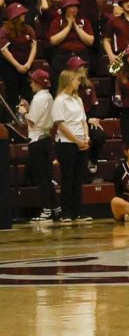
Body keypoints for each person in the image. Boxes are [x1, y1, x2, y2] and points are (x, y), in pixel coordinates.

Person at [52, 69, 92, 224]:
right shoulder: (59, 100)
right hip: (67, 143)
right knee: (68, 177)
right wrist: (76, 140)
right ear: (68, 81)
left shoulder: (78, 99)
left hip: (81, 142)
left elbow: (83, 120)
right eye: (76, 79)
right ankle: (66, 212)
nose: (79, 82)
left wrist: (86, 138)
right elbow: (61, 125)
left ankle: (78, 211)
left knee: (78, 178)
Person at [24, 69, 57, 223]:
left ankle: (46, 210)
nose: (30, 84)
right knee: (48, 176)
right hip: (46, 138)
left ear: (38, 83)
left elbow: (32, 121)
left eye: (32, 82)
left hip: (36, 139)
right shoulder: (49, 96)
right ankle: (55, 207)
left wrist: (24, 111)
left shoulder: (38, 98)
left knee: (41, 177)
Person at [0, 3, 38, 105]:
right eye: (22, 13)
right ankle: (13, 117)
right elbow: (4, 50)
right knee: (12, 92)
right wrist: (17, 66)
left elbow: (34, 46)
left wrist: (28, 64)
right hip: (10, 66)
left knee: (27, 91)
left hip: (26, 64)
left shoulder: (28, 28)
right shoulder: (5, 30)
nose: (24, 15)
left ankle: (28, 113)